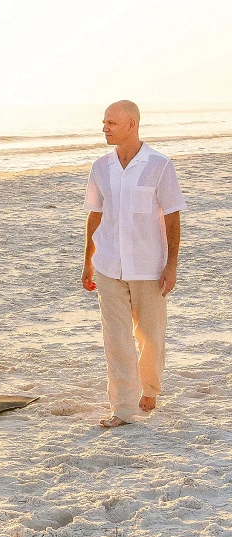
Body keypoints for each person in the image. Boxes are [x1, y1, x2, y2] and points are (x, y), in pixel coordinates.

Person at [81, 100, 186, 428]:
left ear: (132, 125)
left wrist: (171, 265)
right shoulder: (100, 167)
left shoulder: (159, 165)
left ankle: (151, 388)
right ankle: (122, 408)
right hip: (108, 263)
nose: (105, 128)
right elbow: (95, 216)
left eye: (111, 122)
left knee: (150, 335)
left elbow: (172, 217)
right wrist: (87, 259)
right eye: (104, 122)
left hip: (148, 265)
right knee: (116, 338)